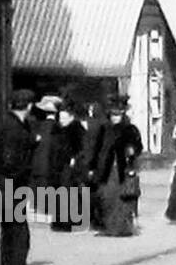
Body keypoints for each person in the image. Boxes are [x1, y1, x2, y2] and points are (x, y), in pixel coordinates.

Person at [0, 90, 42, 265]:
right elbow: (11, 159)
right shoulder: (15, 128)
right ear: (28, 106)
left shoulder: (5, 123)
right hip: (12, 185)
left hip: (1, 185)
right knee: (21, 236)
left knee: (9, 232)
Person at [90, 94, 143, 237]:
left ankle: (122, 228)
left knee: (122, 200)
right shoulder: (104, 129)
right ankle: (107, 227)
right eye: (113, 114)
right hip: (105, 169)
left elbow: (138, 147)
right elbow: (96, 148)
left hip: (122, 169)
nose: (115, 117)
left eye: (118, 114)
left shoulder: (130, 129)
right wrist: (92, 166)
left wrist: (132, 151)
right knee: (106, 198)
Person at [47, 98, 87, 232]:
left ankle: (71, 221)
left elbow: (82, 149)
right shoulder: (56, 129)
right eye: (60, 117)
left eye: (64, 118)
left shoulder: (77, 129)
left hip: (70, 167)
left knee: (69, 193)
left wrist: (75, 159)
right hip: (57, 166)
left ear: (71, 117)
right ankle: (59, 221)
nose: (62, 120)